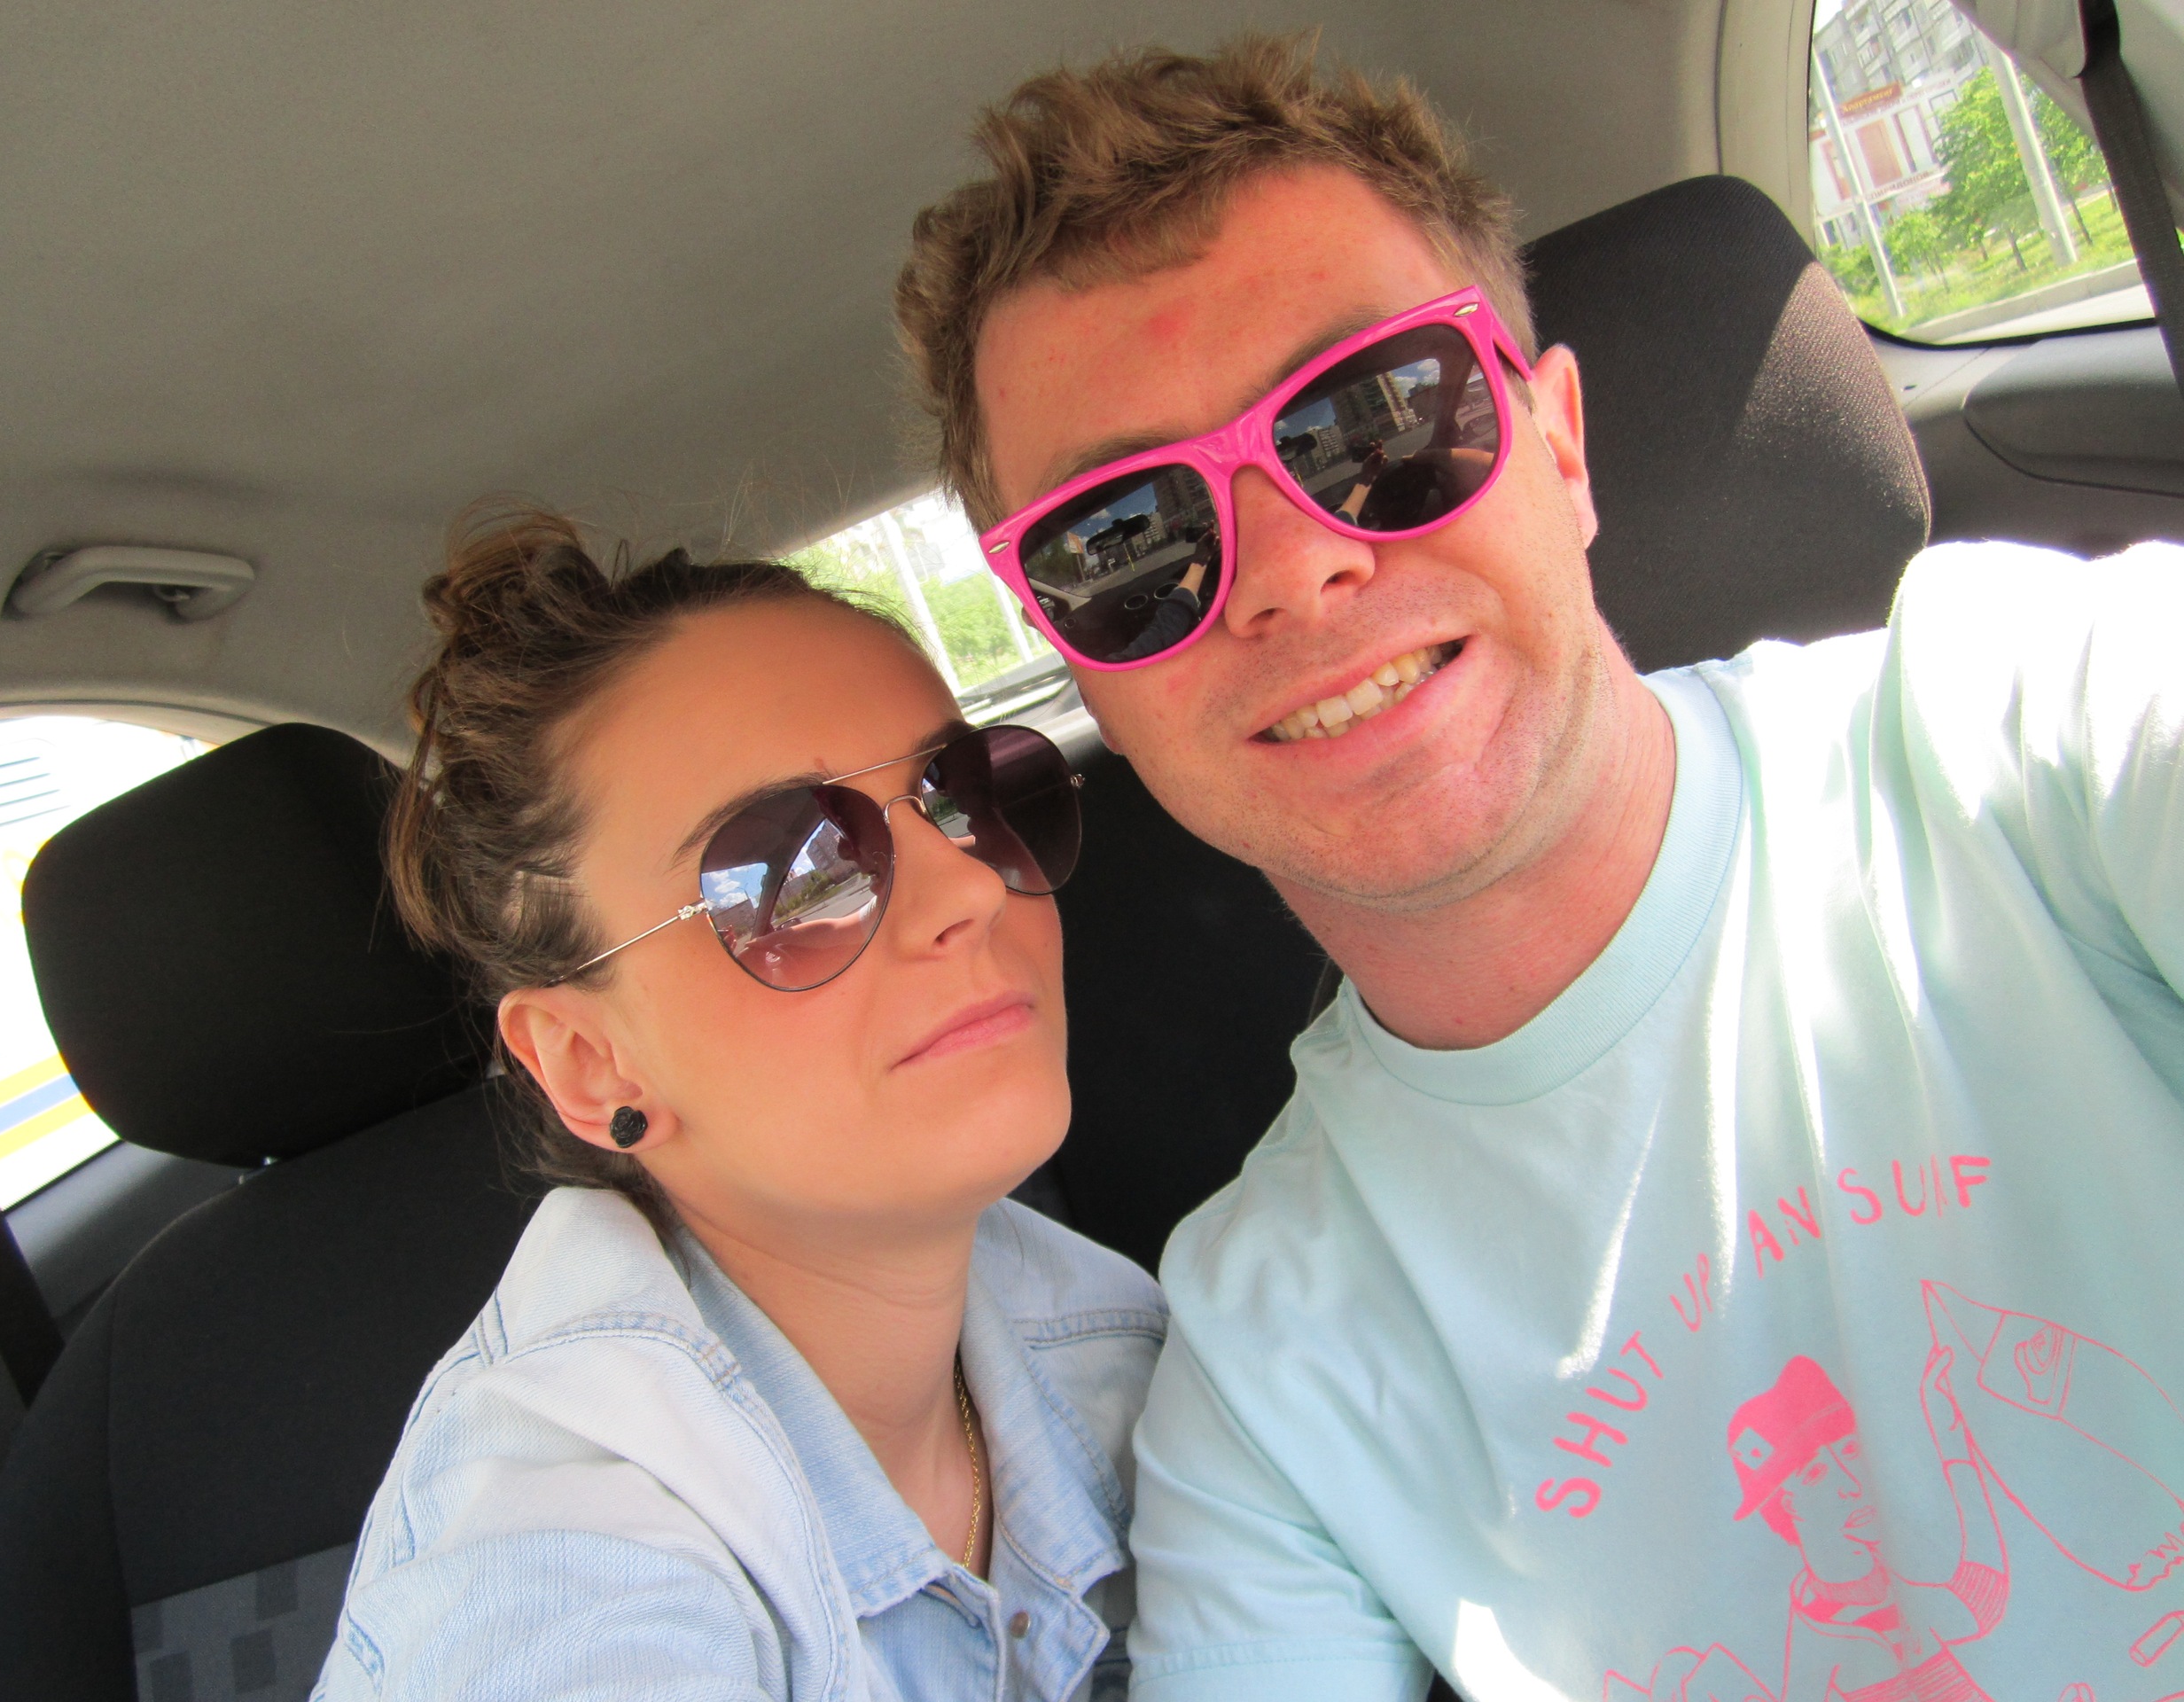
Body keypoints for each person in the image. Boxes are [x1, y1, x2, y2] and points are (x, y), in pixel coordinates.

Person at [893, 31, 2184, 1702]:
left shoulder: (2037, 734)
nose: (1293, 568)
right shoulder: (1271, 1374)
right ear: (1085, 666)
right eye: (1125, 541)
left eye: (1371, 419)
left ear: (1560, 445)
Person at [311, 507, 1165, 1699]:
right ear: (590, 1062)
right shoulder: (557, 1552)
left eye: (962, 798)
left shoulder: (1118, 1338)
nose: (968, 888)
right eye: (793, 875)